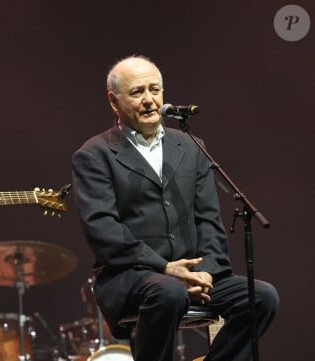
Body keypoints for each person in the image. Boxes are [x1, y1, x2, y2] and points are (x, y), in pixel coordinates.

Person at [71, 55, 279, 361]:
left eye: (155, 90)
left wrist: (203, 274)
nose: (149, 100)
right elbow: (104, 231)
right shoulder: (94, 155)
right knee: (169, 292)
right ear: (114, 102)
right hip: (132, 276)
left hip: (191, 275)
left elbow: (209, 220)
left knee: (262, 297)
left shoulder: (192, 146)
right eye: (137, 92)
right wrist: (167, 269)